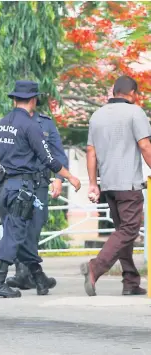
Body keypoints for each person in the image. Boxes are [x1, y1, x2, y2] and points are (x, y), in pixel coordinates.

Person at [0, 80, 81, 299]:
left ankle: (38, 277)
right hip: (22, 188)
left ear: (15, 98)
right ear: (33, 99)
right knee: (14, 233)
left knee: (20, 234)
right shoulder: (30, 125)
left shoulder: (0, 125)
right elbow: (48, 158)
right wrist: (69, 176)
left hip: (3, 188)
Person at [82, 75, 151, 297]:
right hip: (128, 183)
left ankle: (130, 281)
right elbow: (145, 146)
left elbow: (90, 152)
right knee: (129, 229)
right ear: (133, 93)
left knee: (122, 232)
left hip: (109, 185)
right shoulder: (135, 112)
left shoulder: (97, 115)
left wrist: (93, 183)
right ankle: (96, 267)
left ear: (114, 92)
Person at [6, 109, 69, 291]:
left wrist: (58, 178)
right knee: (18, 225)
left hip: (39, 182)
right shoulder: (8, 122)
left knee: (34, 225)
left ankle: (29, 274)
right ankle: (25, 273)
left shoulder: (46, 123)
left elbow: (58, 153)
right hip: (16, 182)